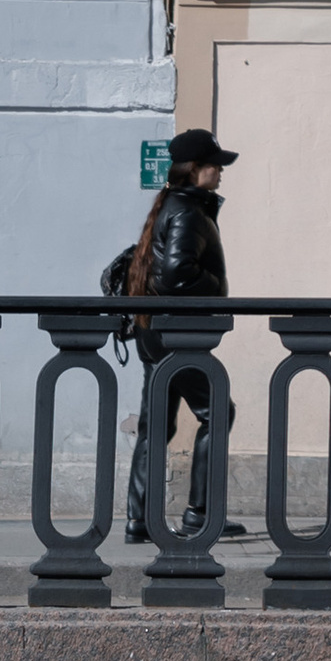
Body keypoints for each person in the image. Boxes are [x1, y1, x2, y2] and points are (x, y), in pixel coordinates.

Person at [108, 128, 243, 544]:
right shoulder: (187, 211)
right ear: (195, 170)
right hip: (178, 335)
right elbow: (176, 276)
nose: (220, 172)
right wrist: (216, 282)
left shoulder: (173, 204)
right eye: (214, 165)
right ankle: (198, 515)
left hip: (157, 334)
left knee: (155, 426)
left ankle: (140, 518)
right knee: (218, 412)